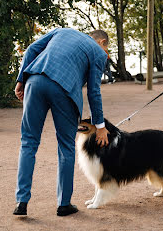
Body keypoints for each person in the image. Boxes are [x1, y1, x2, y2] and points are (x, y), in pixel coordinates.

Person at [13, 28, 110, 216]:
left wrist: (20, 80)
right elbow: (93, 92)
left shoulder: (63, 31)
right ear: (101, 42)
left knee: (28, 142)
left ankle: (21, 202)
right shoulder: (98, 53)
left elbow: (31, 49)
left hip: (35, 80)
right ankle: (63, 204)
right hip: (65, 91)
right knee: (66, 147)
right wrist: (100, 126)